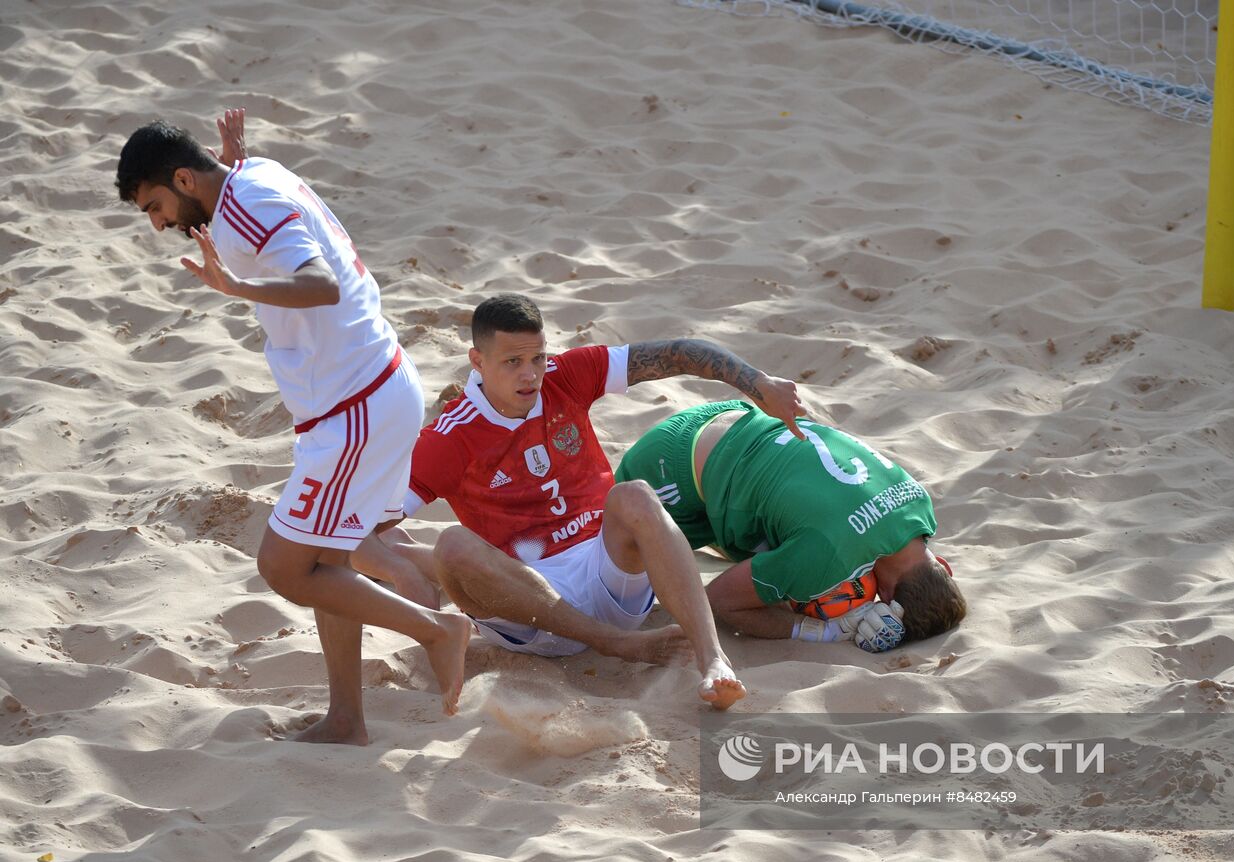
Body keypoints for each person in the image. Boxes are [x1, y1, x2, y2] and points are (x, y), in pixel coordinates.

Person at [116, 109, 471, 744]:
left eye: (155, 205)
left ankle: (439, 630)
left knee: (284, 568)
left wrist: (238, 286)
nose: (159, 224)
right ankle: (346, 719)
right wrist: (233, 156)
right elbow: (254, 204)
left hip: (356, 407)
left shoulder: (246, 202)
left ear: (184, 179)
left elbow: (320, 283)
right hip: (370, 392)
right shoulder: (249, 176)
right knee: (328, 563)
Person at [352, 293, 808, 711]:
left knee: (635, 495)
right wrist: (394, 571)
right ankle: (612, 643)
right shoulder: (449, 438)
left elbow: (678, 353)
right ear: (477, 360)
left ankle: (713, 661)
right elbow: (349, 535)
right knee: (452, 546)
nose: (530, 374)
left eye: (537, 357)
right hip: (532, 615)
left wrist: (757, 382)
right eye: (512, 361)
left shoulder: (565, 375)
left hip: (608, 574)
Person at [614, 401, 966, 650]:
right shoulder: (827, 557)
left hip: (734, 417)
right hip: (666, 472)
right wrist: (823, 632)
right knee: (612, 593)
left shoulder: (919, 502)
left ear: (944, 565)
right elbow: (718, 601)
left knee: (777, 548)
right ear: (886, 596)